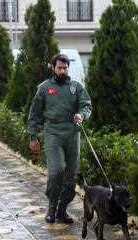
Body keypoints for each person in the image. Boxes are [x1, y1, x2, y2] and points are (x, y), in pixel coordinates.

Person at [27, 54, 92, 224]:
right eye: (59, 68)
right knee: (56, 171)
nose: (62, 70)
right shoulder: (44, 88)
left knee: (70, 177)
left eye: (65, 68)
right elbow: (34, 114)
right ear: (53, 68)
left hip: (72, 135)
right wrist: (33, 136)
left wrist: (81, 115)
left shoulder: (76, 87)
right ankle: (51, 207)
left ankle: (62, 210)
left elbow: (86, 105)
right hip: (53, 134)